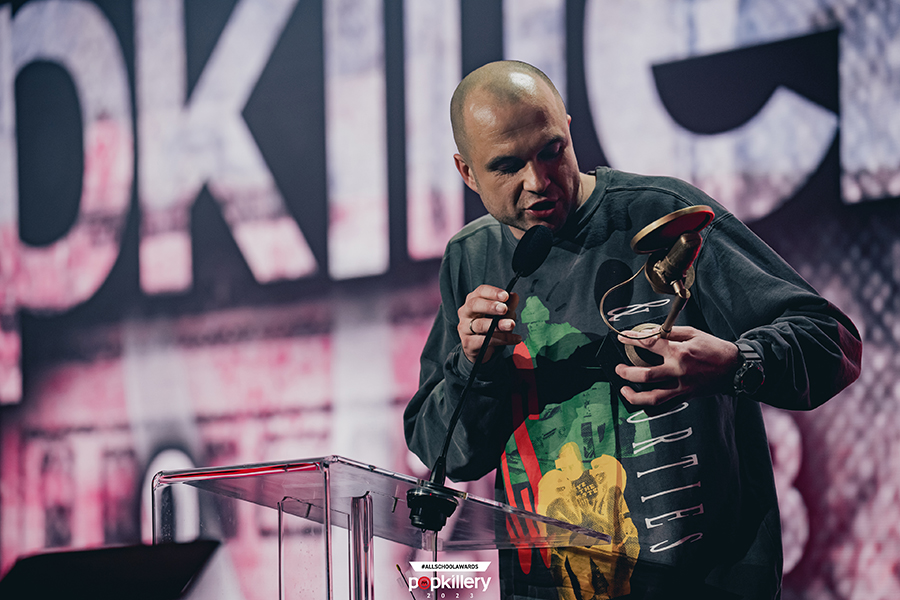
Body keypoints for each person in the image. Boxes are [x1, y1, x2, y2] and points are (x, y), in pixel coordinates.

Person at [403, 60, 861, 599]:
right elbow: (448, 454)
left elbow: (831, 340)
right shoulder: (470, 257)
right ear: (466, 172)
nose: (538, 181)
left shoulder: (664, 216)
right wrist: (472, 366)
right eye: (507, 166)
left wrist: (736, 365)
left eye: (551, 150)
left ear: (568, 127)